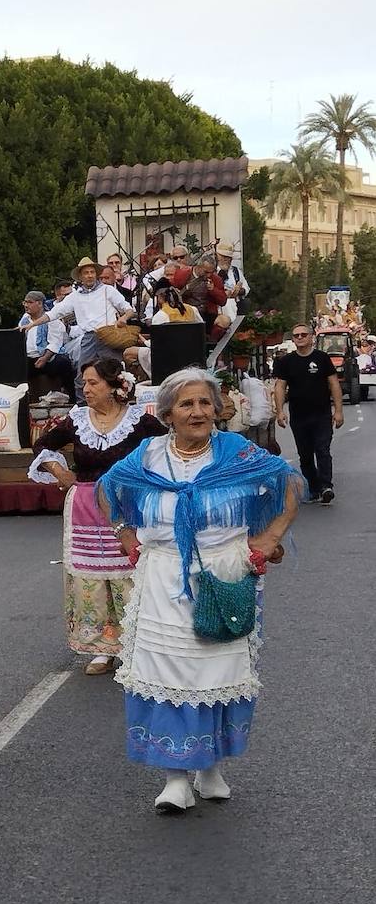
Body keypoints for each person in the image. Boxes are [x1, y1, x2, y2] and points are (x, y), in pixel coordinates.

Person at [99, 368, 301, 812]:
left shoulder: (236, 451)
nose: (198, 412)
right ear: (168, 413)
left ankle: (210, 769)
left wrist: (269, 538)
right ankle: (175, 778)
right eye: (187, 404)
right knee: (164, 675)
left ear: (217, 409)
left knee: (219, 675)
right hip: (162, 577)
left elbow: (288, 482)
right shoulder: (148, 456)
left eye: (205, 403)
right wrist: (124, 531)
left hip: (224, 574)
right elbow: (108, 489)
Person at [29, 358, 168, 674]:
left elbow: (167, 452)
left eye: (93, 383)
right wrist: (60, 472)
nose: (86, 389)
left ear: (114, 386)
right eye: (85, 383)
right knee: (91, 578)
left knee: (130, 573)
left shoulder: (141, 423)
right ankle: (102, 648)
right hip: (86, 508)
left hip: (127, 508)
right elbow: (42, 445)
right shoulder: (77, 421)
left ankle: (136, 643)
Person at [34, 256, 135, 400]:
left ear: (96, 274)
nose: (90, 275)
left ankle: (121, 403)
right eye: (86, 272)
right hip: (89, 338)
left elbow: (129, 309)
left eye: (92, 272)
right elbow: (54, 313)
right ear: (81, 276)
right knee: (82, 375)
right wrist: (32, 324)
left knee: (116, 373)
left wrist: (123, 319)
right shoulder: (75, 296)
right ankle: (83, 408)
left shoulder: (107, 290)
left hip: (109, 336)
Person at [273, 323, 344, 504]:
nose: (300, 338)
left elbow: (334, 384)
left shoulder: (322, 358)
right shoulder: (286, 362)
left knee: (322, 449)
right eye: (296, 335)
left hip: (321, 414)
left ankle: (326, 486)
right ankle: (313, 488)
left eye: (303, 334)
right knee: (305, 455)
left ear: (311, 337)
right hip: (299, 416)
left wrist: (338, 411)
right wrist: (280, 411)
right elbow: (280, 386)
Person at [21, 291, 73, 392]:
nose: (26, 305)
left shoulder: (52, 319)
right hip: (28, 357)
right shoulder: (24, 319)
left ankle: (72, 397)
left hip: (47, 357)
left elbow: (55, 343)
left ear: (40, 303)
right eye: (25, 302)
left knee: (63, 363)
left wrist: (44, 358)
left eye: (30, 302)